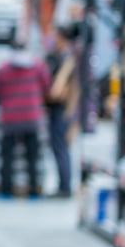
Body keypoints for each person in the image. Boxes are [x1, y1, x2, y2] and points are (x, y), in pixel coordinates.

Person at [0, 38, 50, 198]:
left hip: (9, 119)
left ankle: (6, 190)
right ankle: (33, 192)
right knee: (32, 158)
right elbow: (46, 87)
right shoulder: (38, 66)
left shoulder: (2, 69)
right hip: (31, 118)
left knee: (7, 158)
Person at [45, 26, 80, 198]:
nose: (52, 40)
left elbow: (58, 91)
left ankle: (65, 187)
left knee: (61, 148)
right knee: (60, 148)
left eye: (54, 37)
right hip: (58, 110)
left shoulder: (67, 59)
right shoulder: (58, 57)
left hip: (62, 111)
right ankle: (63, 185)